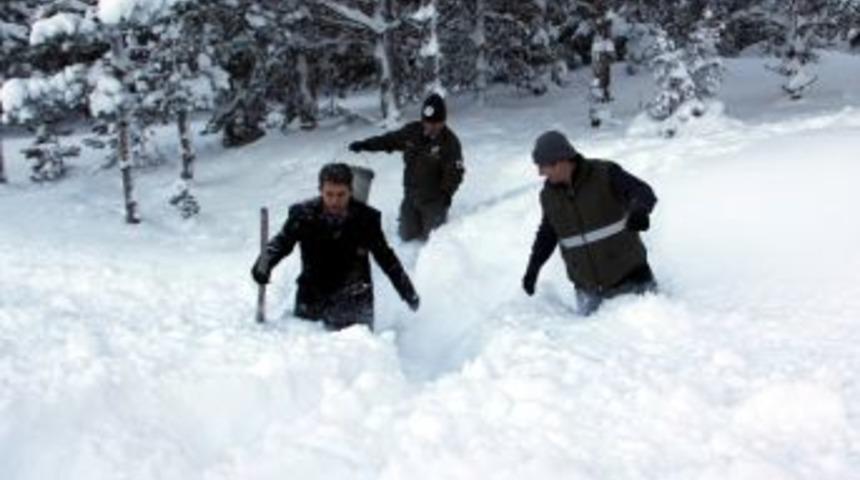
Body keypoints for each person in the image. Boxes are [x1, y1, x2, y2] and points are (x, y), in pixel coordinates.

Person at [251, 163, 420, 330]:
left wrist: (407, 291)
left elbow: (385, 257)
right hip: (312, 298)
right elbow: (281, 243)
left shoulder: (366, 219)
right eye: (329, 194)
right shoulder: (303, 215)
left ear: (350, 191)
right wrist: (264, 264)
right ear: (320, 191)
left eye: (341, 194)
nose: (335, 201)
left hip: (354, 299)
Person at [522, 130, 657, 315]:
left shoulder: (604, 174)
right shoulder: (548, 196)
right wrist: (533, 268)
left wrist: (639, 210)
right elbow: (547, 234)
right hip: (588, 293)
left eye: (543, 166)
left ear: (561, 161)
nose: (540, 173)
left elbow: (642, 192)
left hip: (632, 280)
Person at [348, 93, 465, 242]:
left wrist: (446, 196)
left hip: (433, 200)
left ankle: (437, 217)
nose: (431, 127)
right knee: (406, 236)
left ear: (443, 121)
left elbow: (455, 173)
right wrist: (365, 145)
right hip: (411, 196)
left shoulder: (450, 142)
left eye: (436, 123)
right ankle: (409, 217)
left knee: (433, 240)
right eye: (427, 122)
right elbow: (388, 141)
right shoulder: (412, 132)